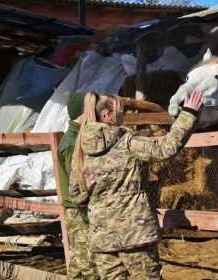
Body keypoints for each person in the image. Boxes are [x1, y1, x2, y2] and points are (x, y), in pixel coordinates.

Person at [70, 90, 204, 279]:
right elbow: (167, 146)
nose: (123, 116)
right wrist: (189, 113)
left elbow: (78, 197)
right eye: (120, 112)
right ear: (108, 115)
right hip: (136, 235)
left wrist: (100, 215)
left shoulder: (81, 152)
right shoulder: (128, 144)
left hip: (102, 239)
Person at [58, 91, 99, 280]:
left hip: (80, 209)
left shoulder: (78, 137)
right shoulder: (73, 142)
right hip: (79, 211)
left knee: (81, 266)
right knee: (89, 267)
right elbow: (78, 183)